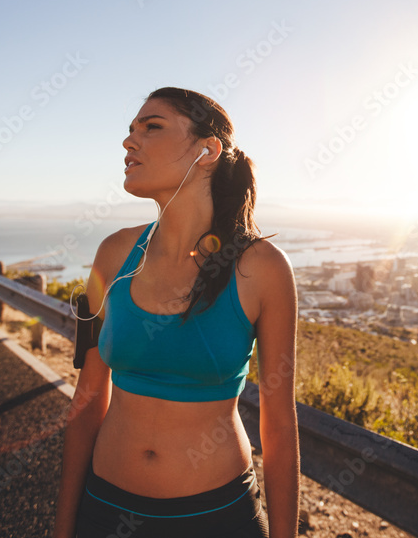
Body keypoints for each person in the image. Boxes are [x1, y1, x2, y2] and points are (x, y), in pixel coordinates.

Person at [52, 87, 300, 538]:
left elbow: (279, 425)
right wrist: (64, 527)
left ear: (208, 150)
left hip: (217, 518)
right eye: (130, 130)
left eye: (152, 127)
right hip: (105, 511)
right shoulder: (111, 254)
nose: (130, 141)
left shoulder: (263, 268)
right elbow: (87, 402)